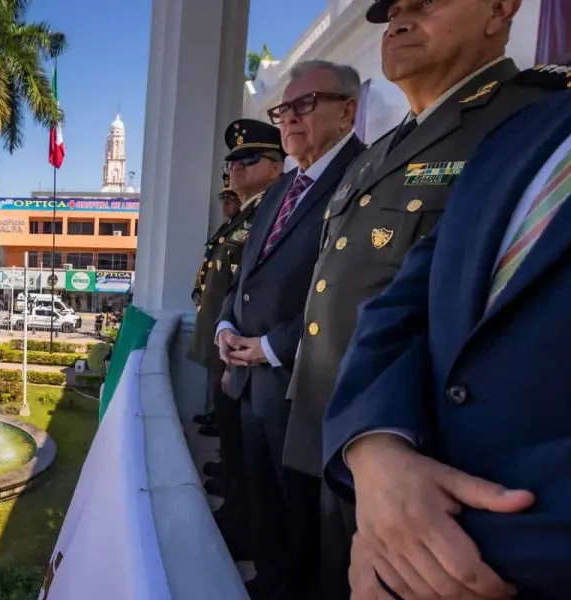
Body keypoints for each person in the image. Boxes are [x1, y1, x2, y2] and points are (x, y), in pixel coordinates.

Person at [284, 0, 571, 591]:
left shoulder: (537, 120)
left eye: (426, 4)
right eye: (393, 12)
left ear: (500, 10)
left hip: (425, 464)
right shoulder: (383, 151)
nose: (399, 21)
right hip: (340, 427)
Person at [214, 62, 367, 600]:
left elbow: (356, 287)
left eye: (307, 104)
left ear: (347, 109)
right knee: (267, 506)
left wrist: (272, 346)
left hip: (305, 381)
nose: (291, 118)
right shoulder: (284, 189)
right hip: (252, 379)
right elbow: (248, 275)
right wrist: (227, 324)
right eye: (284, 109)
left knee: (304, 515)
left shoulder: (362, 176)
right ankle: (272, 582)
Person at [185, 119, 284, 559]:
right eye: (233, 161)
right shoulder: (246, 214)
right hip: (225, 338)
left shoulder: (270, 213)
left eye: (249, 159)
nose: (236, 168)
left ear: (278, 166)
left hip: (249, 353)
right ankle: (237, 507)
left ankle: (246, 525)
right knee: (232, 438)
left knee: (248, 453)